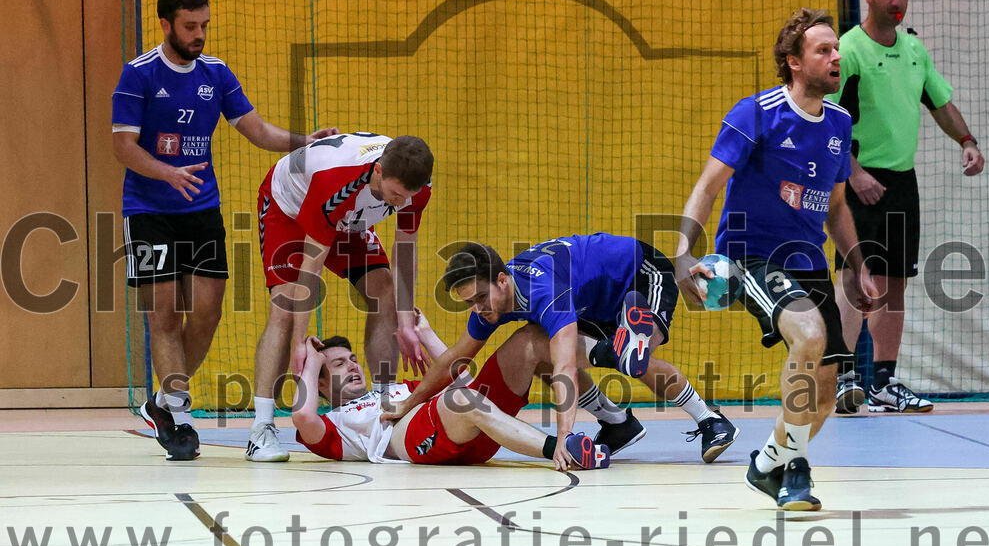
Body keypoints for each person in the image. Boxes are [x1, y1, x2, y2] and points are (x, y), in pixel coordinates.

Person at [113, 0, 338, 461]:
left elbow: (255, 130)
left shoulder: (215, 73)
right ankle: (179, 413)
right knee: (165, 317)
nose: (199, 35)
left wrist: (306, 140)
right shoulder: (138, 75)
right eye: (190, 26)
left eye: (205, 25)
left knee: (208, 315)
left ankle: (162, 401)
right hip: (149, 212)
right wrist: (167, 173)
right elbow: (123, 147)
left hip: (201, 210)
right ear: (166, 24)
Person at [675, 8, 876, 510]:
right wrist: (683, 255)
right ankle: (798, 468)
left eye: (837, 49)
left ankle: (768, 464)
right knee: (808, 336)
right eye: (823, 50)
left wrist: (857, 265)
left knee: (826, 393)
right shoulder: (757, 113)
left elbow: (833, 207)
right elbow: (707, 186)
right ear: (793, 62)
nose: (836, 57)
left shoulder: (840, 123)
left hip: (810, 262)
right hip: (752, 255)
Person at [380, 234, 738, 468]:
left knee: (634, 359)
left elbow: (566, 365)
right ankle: (617, 422)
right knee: (552, 349)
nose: (477, 308)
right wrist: (407, 405)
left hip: (638, 271)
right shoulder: (494, 302)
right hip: (593, 299)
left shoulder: (544, 291)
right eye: (470, 302)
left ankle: (710, 419)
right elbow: (454, 359)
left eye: (480, 297)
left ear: (502, 280)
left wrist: (565, 435)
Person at [829, 0, 985, 415]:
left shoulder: (915, 50)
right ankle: (841, 380)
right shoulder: (848, 50)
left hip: (902, 182)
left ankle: (882, 383)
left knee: (894, 283)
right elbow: (827, 122)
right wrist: (854, 173)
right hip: (857, 182)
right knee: (858, 279)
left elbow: (940, 102)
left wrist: (968, 141)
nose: (897, 3)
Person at [246, 132, 434, 462]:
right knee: (286, 308)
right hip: (288, 207)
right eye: (394, 195)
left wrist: (406, 322)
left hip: (350, 217)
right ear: (378, 171)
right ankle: (261, 429)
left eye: (407, 197)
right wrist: (301, 341)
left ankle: (384, 402)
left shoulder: (415, 188)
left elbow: (405, 247)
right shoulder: (336, 180)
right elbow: (312, 265)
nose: (400, 203)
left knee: (386, 292)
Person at [291, 313, 610, 470]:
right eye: (337, 364)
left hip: (472, 430)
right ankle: (563, 450)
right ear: (319, 383)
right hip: (420, 445)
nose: (351, 366)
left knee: (529, 339)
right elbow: (303, 415)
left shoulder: (397, 391)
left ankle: (612, 358)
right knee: (463, 400)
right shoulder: (333, 424)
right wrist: (312, 359)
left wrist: (426, 334)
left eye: (353, 360)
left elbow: (467, 381)